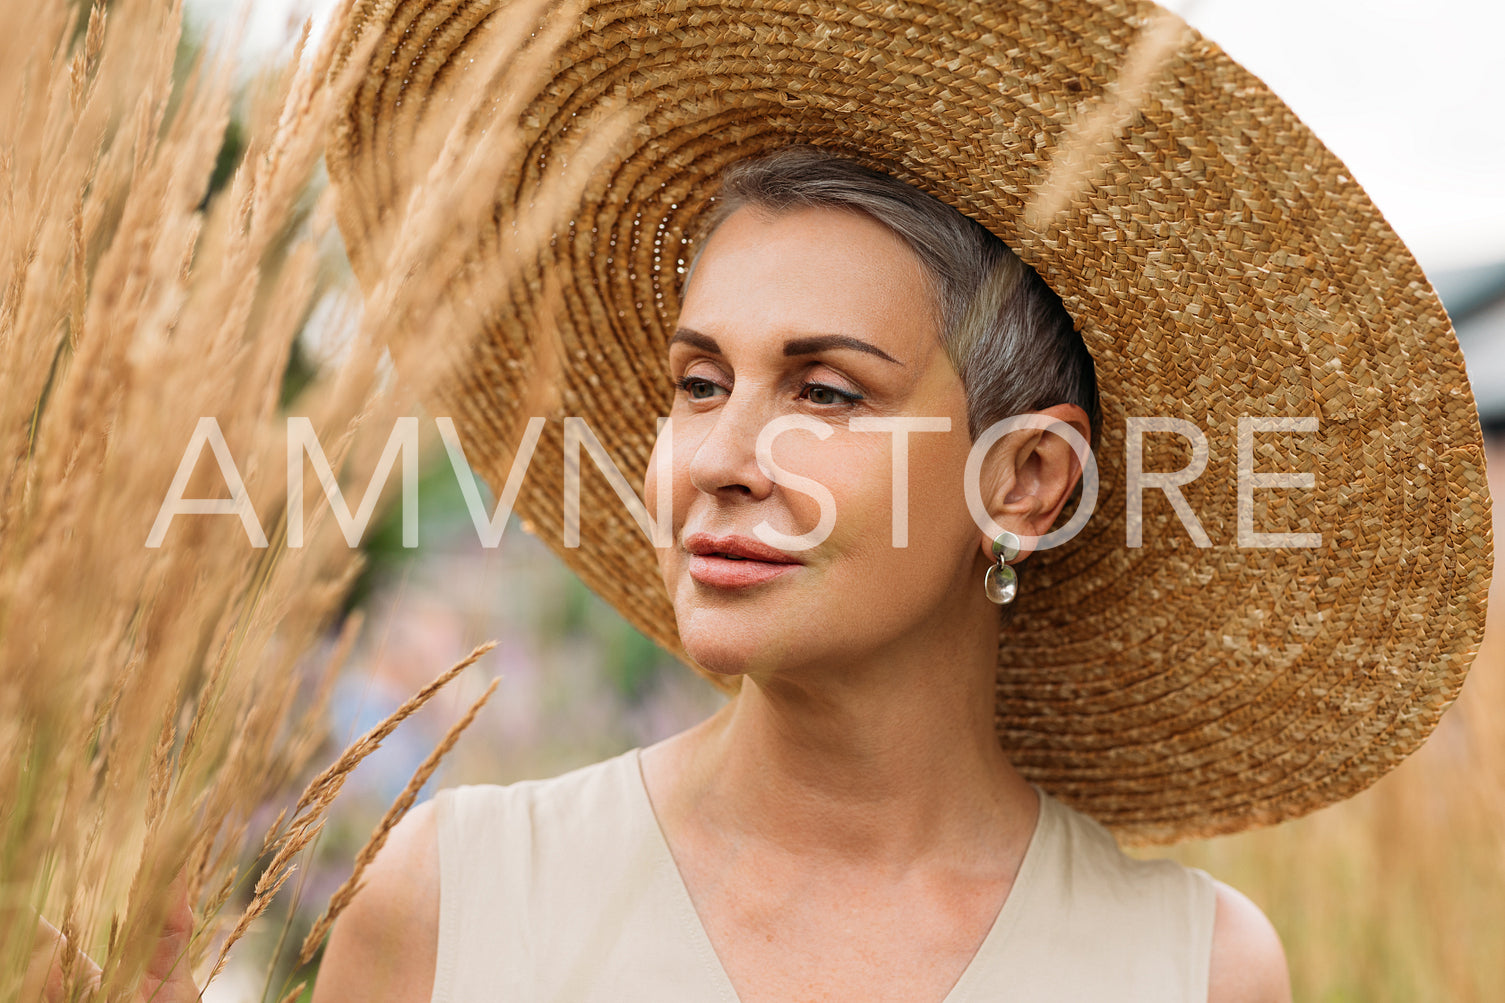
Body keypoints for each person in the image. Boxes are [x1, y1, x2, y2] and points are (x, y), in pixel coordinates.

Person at [38, 0, 1488, 999]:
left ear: (1027, 479)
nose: (717, 457)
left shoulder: (1195, 973)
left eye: (826, 391)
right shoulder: (451, 894)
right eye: (695, 382)